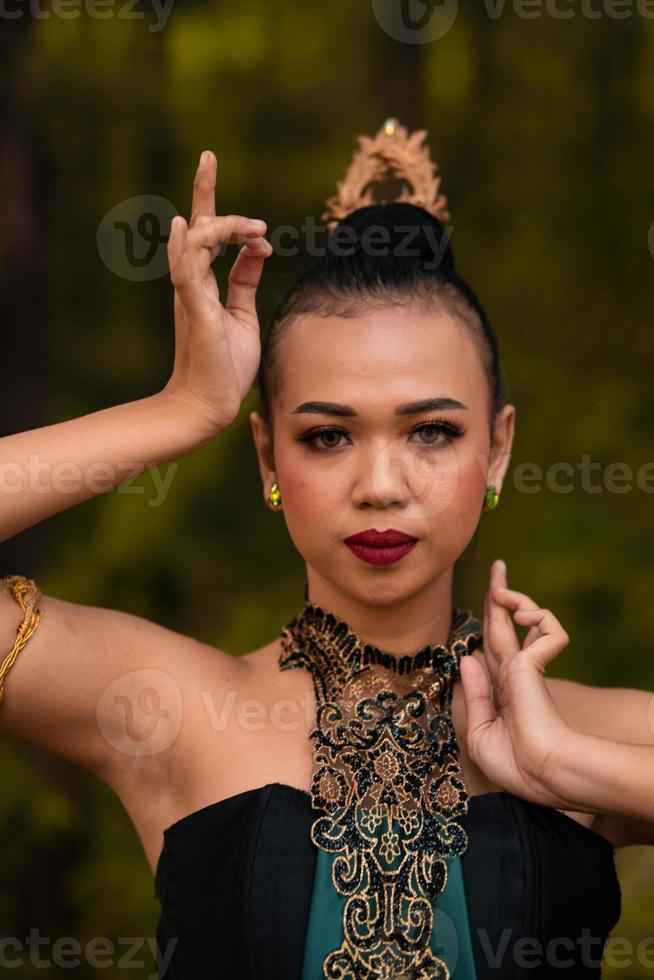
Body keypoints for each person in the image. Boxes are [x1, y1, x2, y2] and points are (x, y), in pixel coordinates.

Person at [1, 120, 652, 980]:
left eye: (430, 431)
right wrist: (184, 410)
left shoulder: (594, 733)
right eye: (328, 437)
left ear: (496, 449)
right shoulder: (172, 713)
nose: (381, 485)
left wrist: (564, 765)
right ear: (269, 454)